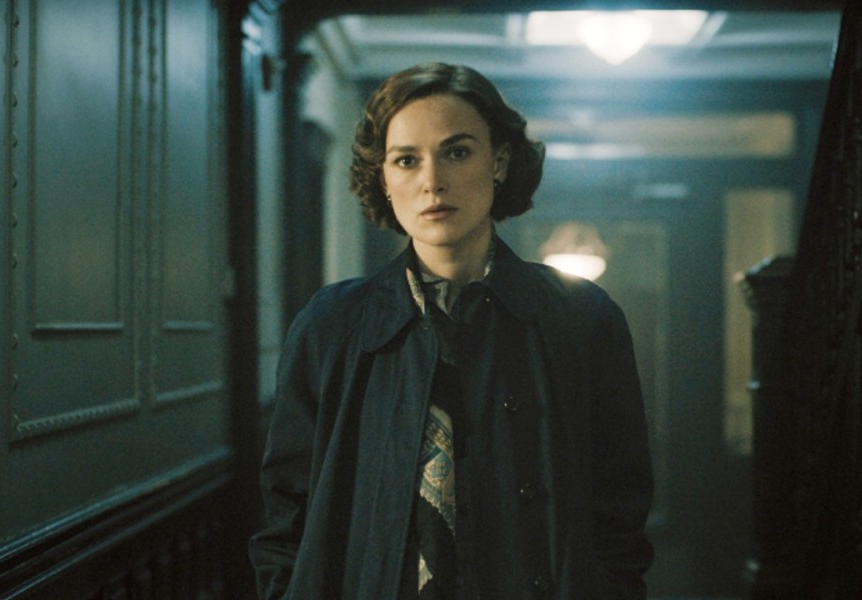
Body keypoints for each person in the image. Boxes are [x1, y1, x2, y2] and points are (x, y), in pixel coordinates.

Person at [249, 62, 653, 599]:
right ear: (385, 180)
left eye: (457, 152)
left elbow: (618, 510)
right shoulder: (331, 326)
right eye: (407, 160)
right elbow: (286, 512)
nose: (432, 181)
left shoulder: (583, 320)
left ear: (499, 163)